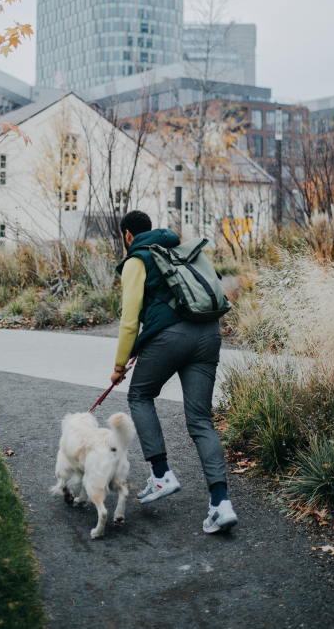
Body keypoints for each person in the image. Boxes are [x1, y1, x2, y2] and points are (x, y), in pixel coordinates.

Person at [111, 209, 238, 534]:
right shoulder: (177, 251)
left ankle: (162, 474)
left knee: (140, 395)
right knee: (200, 421)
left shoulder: (136, 260)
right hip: (208, 333)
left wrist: (119, 365)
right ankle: (221, 504)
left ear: (128, 235)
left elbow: (129, 320)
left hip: (171, 338)